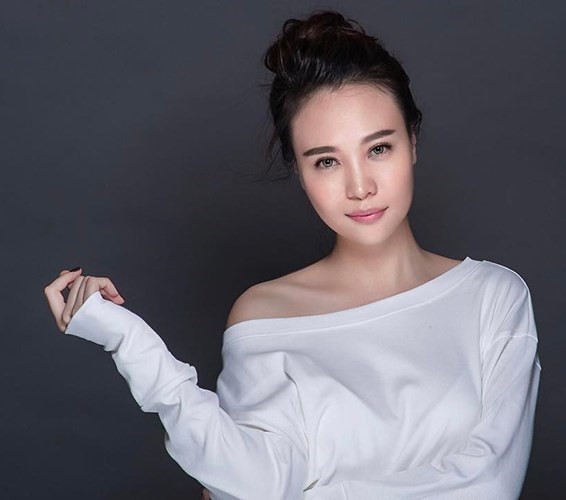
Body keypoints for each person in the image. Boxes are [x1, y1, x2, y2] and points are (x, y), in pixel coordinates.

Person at [43, 9, 541, 500]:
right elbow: (254, 483)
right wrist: (128, 341)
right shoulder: (264, 314)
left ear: (412, 142)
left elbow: (487, 485)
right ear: (300, 173)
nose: (360, 187)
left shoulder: (492, 298)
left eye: (378, 149)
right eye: (326, 161)